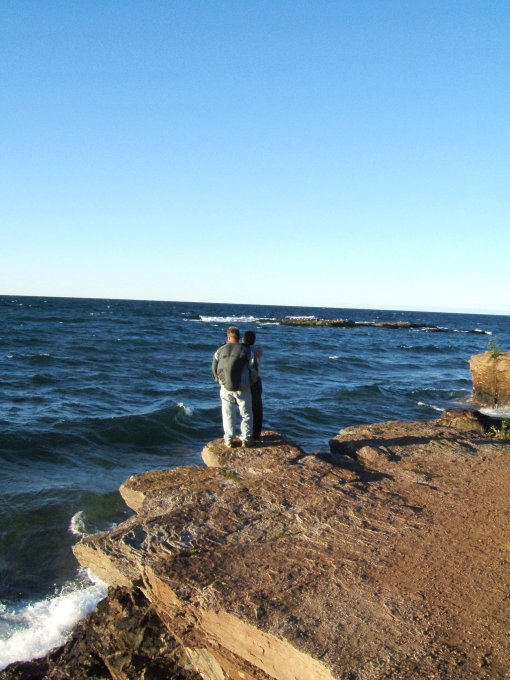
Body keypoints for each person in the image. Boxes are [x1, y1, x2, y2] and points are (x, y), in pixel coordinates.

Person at [212, 326, 253, 448]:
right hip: (243, 387)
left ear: (228, 337)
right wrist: (250, 382)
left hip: (225, 387)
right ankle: (246, 439)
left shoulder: (219, 351)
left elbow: (214, 369)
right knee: (246, 414)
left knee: (228, 414)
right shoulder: (246, 351)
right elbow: (253, 368)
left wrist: (220, 382)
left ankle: (229, 440)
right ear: (239, 337)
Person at [242, 330, 264, 440]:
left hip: (245, 380)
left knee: (245, 408)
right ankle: (256, 433)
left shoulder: (244, 349)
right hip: (255, 380)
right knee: (257, 408)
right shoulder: (258, 349)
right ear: (254, 340)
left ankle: (247, 432)